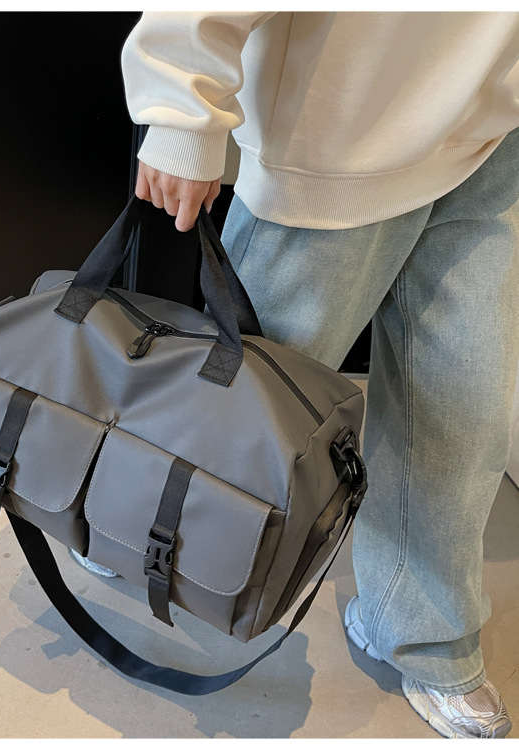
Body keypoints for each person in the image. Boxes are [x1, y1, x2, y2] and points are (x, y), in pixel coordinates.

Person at [117, 11, 519, 740]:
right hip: (342, 127)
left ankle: (422, 631)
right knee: (244, 406)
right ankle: (128, 519)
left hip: (491, 127)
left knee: (463, 409)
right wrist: (181, 102)